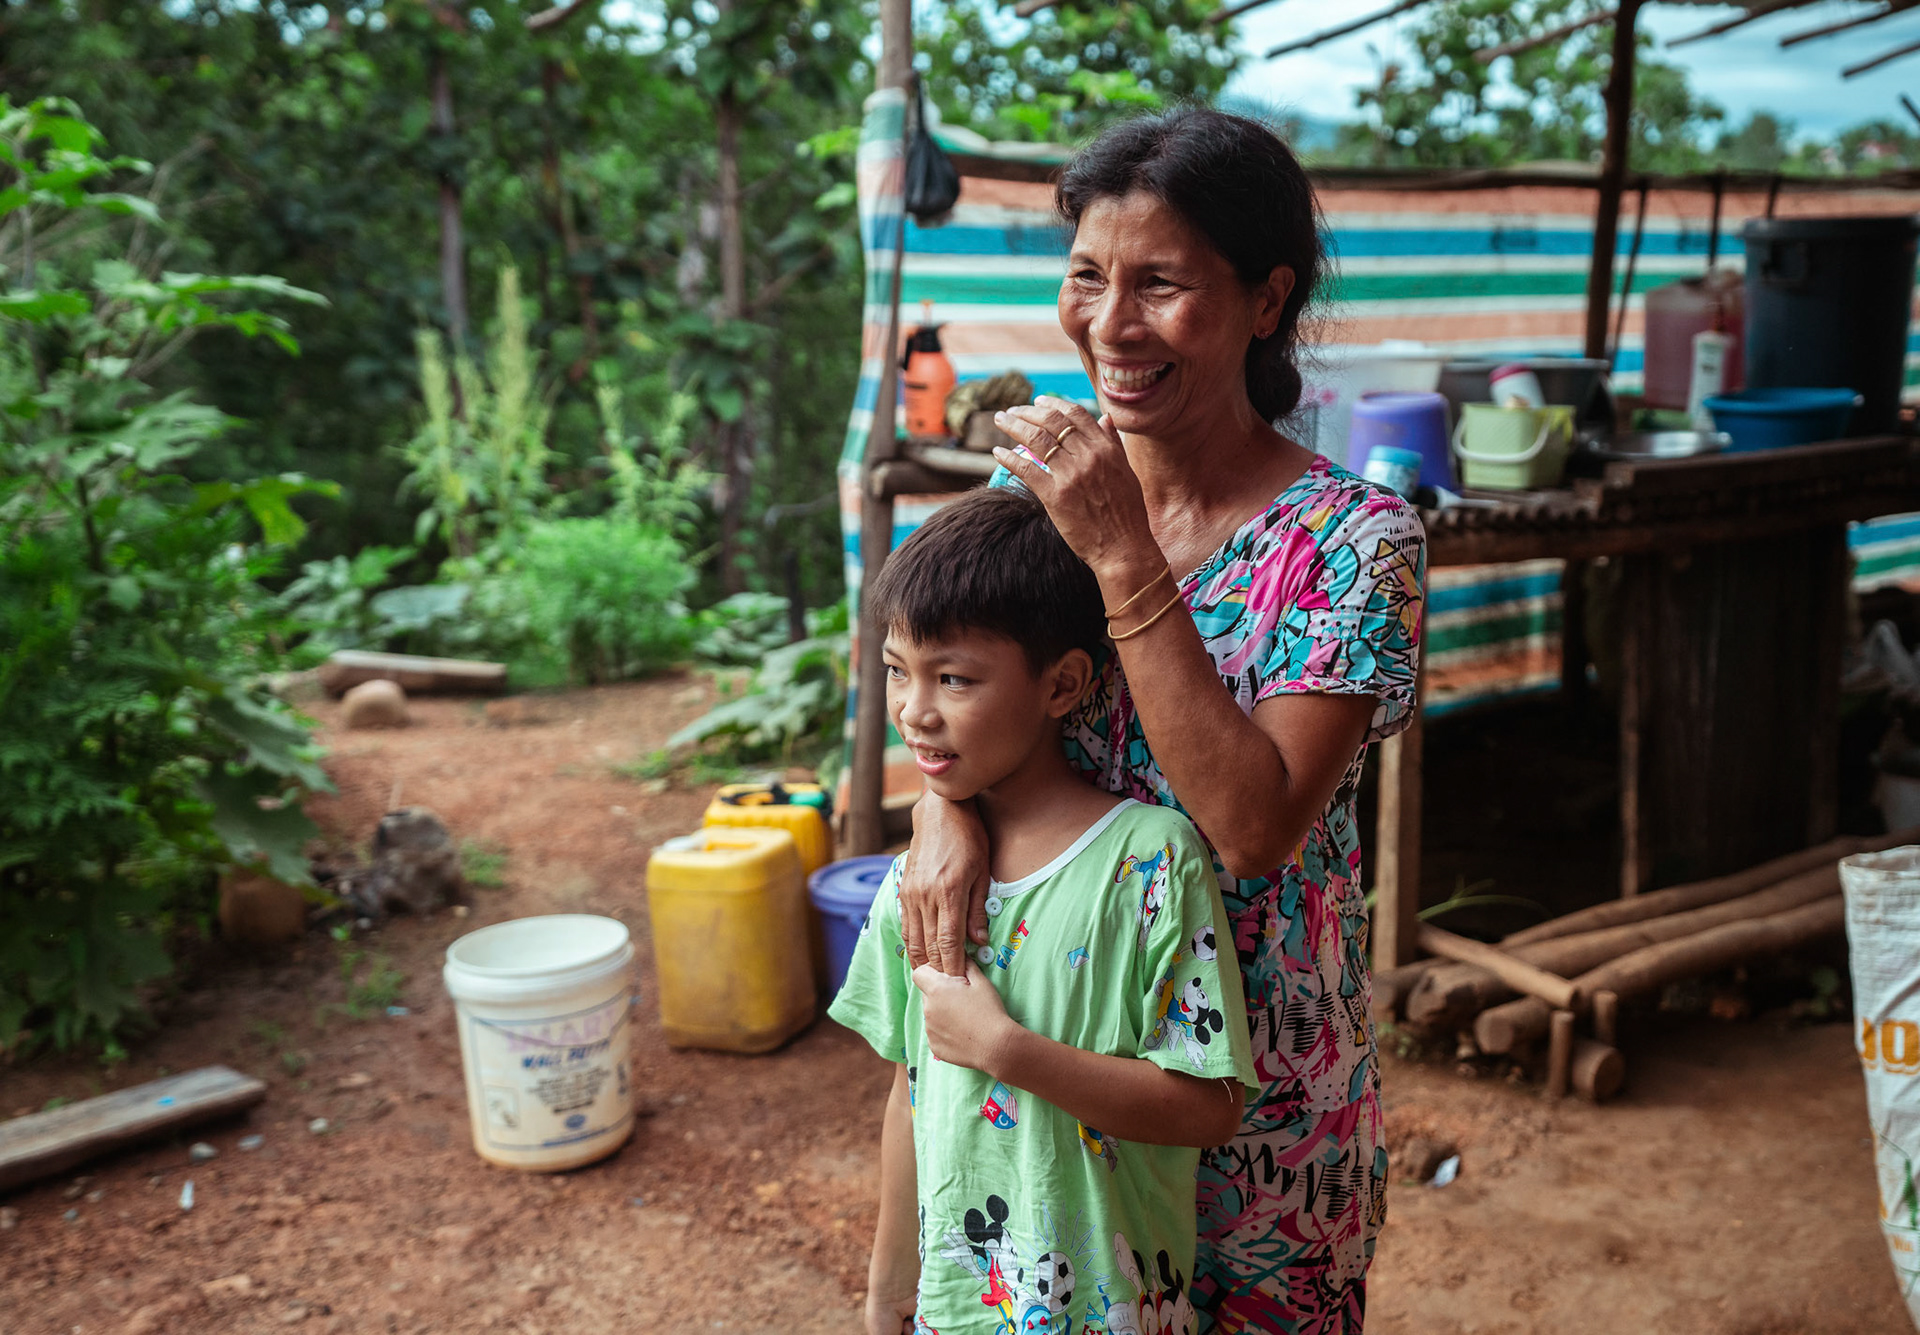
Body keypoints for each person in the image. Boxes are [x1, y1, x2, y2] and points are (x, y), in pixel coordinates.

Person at [895, 106, 1428, 1333]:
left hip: (1252, 1108)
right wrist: (942, 811)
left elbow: (1249, 827)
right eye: (1089, 276)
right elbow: (952, 684)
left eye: (1162, 284)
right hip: (1045, 1052)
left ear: (1264, 300)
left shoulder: (1356, 544)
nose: (1110, 324)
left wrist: (1125, 555)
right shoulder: (1030, 493)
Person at [830, 486, 1259, 1335]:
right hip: (958, 1313)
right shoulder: (919, 879)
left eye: (953, 677)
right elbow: (910, 1091)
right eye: (897, 670)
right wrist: (887, 1289)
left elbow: (1208, 1107)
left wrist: (1004, 1048)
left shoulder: (1148, 860)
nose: (915, 710)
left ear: (1062, 684)